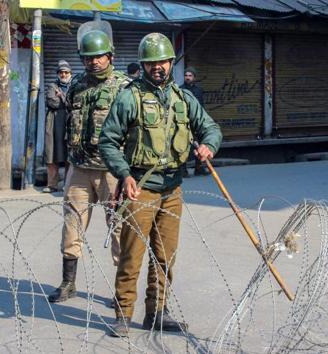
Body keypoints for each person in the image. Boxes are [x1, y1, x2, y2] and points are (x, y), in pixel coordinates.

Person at [99, 33, 222, 337]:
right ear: (143, 64)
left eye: (163, 61)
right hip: (140, 187)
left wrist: (209, 145)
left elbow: (210, 127)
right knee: (132, 255)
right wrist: (124, 174)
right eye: (152, 62)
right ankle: (123, 314)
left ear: (171, 63)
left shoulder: (183, 98)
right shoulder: (130, 97)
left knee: (165, 256)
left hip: (172, 189)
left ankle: (157, 313)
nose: (158, 67)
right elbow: (108, 141)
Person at [46, 29, 130, 303]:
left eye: (99, 57)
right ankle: (68, 283)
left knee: (119, 228)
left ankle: (122, 293)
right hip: (80, 167)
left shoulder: (124, 87)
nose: (94, 62)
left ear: (110, 56)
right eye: (88, 58)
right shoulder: (79, 84)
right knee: (71, 225)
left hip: (112, 171)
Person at [43, 60, 72, 193]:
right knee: (51, 154)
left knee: (69, 156)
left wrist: (62, 96)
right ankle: (51, 185)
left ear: (70, 73)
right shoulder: (52, 86)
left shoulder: (74, 85)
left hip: (69, 124)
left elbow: (74, 103)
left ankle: (68, 183)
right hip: (54, 124)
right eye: (61, 72)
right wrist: (64, 100)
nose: (64, 75)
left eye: (66, 72)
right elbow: (52, 102)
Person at [179, 66, 209, 176]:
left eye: (190, 76)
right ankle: (183, 170)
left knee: (200, 144)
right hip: (185, 122)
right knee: (183, 145)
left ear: (194, 77)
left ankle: (199, 167)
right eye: (186, 75)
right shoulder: (180, 89)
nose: (187, 77)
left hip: (197, 122)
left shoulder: (198, 90)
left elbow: (201, 106)